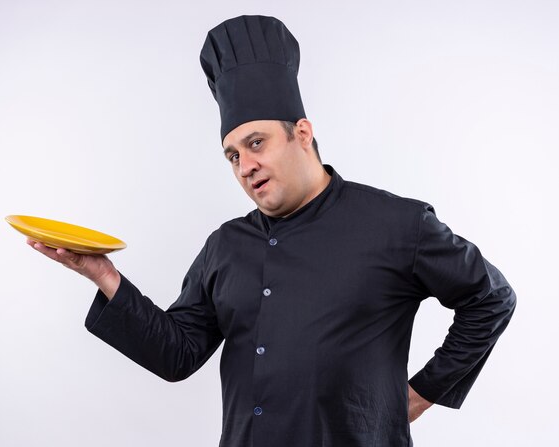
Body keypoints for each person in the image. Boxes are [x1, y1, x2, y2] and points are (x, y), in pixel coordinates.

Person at [28, 15, 516, 447]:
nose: (245, 165)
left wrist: (421, 393)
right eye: (233, 154)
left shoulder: (397, 224)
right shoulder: (225, 245)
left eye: (256, 143)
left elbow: (491, 298)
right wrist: (102, 274)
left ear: (302, 134)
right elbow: (177, 354)